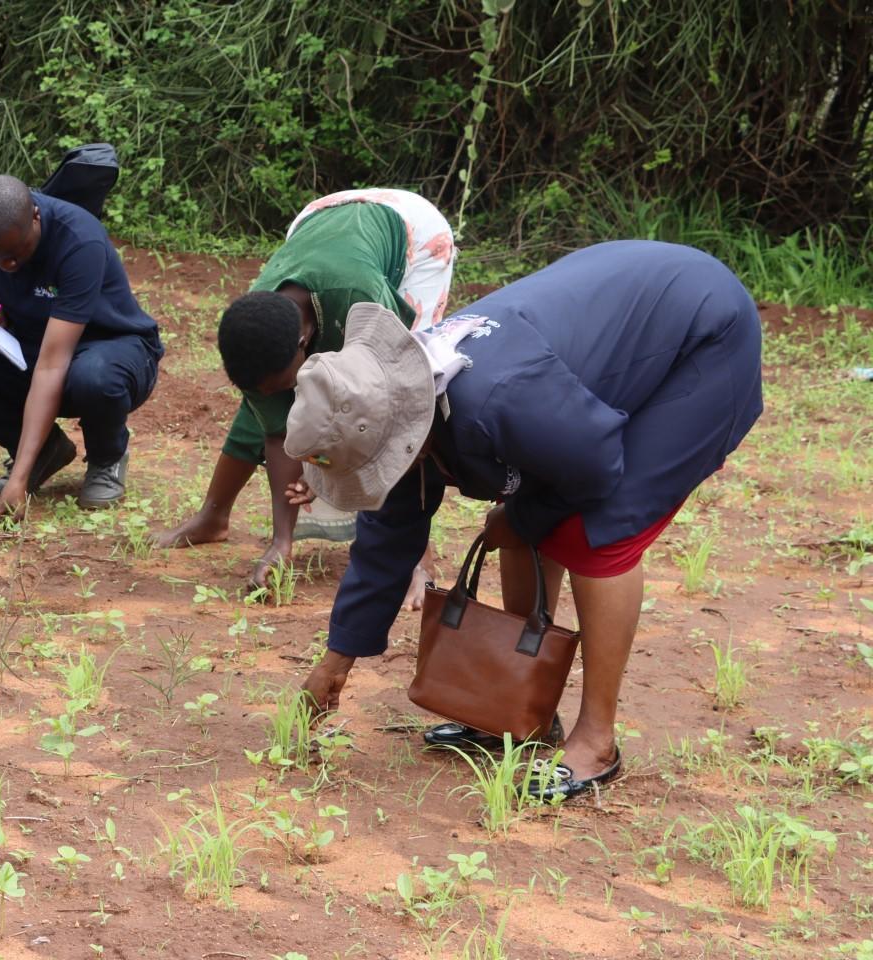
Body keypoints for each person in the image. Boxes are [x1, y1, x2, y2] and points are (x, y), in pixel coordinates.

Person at [284, 240, 763, 799]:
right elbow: (388, 538)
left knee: (595, 536)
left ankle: (596, 741)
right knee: (522, 523)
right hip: (604, 338)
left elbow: (596, 468)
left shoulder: (495, 400)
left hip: (702, 336)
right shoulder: (386, 403)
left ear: (404, 437)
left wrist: (525, 518)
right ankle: (523, 707)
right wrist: (335, 662)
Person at [157, 189, 454, 603]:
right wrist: (283, 543)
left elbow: (403, 397)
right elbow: (279, 431)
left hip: (412, 232)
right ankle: (213, 517)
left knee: (402, 392)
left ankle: (419, 558)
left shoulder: (360, 297)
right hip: (320, 219)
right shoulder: (253, 330)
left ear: (304, 339)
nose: (281, 395)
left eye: (283, 385)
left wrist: (326, 470)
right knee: (270, 403)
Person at [0, 175, 163, 515]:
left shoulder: (78, 241)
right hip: (34, 342)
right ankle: (46, 450)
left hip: (111, 346)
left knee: (94, 377)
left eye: (16, 254)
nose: (7, 265)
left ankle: (107, 457)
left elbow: (52, 363)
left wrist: (19, 478)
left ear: (35, 216)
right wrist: (0, 311)